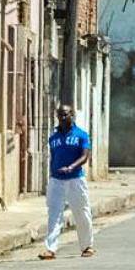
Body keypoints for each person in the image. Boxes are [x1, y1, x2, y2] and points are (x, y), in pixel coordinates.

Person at [39, 105, 96, 260]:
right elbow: (53, 157)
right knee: (54, 213)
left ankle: (87, 246)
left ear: (72, 115)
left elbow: (85, 156)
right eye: (60, 116)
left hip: (76, 179)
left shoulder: (81, 135)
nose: (62, 118)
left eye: (65, 115)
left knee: (81, 212)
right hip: (57, 180)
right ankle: (50, 249)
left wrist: (71, 167)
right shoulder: (53, 137)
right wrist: (52, 174)